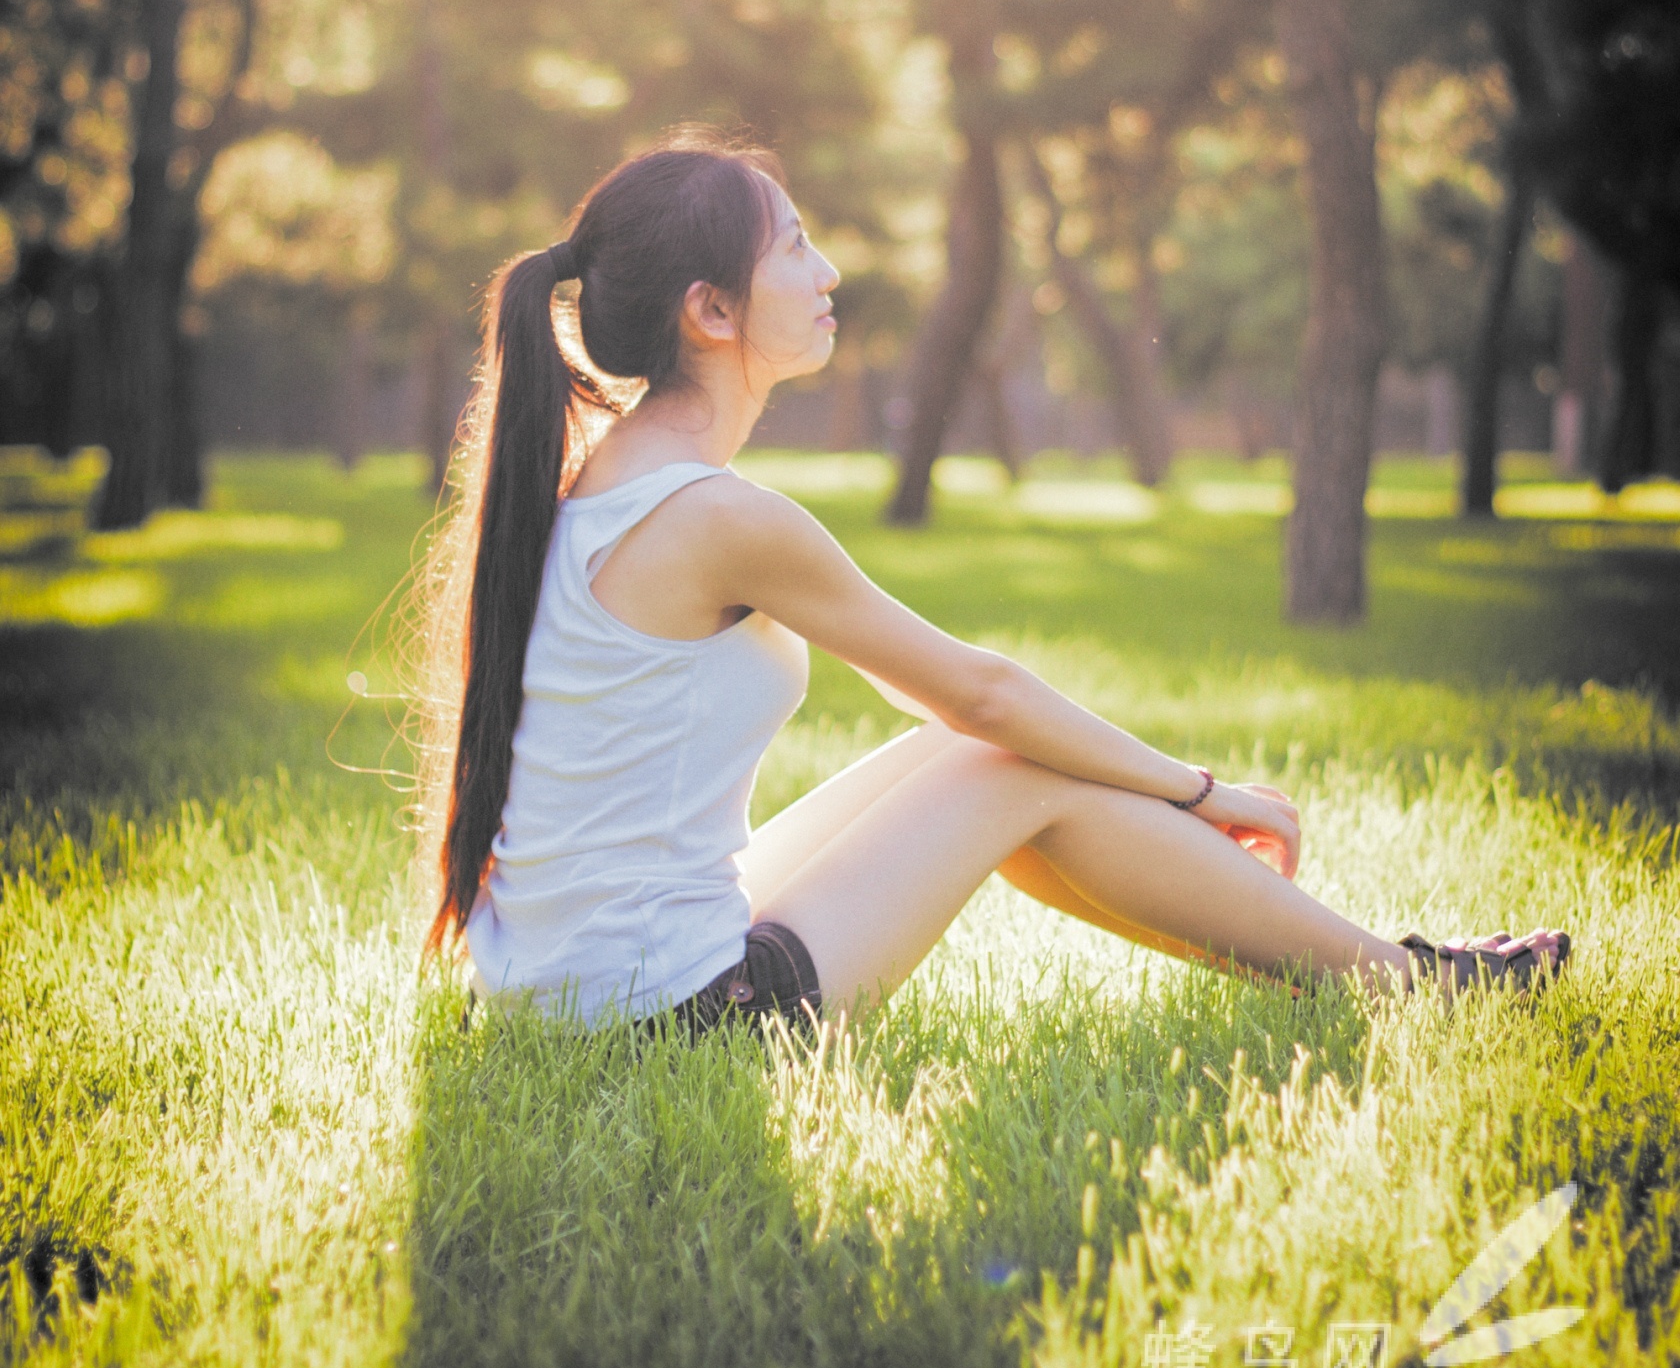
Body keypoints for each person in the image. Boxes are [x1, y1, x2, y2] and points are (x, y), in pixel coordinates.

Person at [420, 134, 1570, 1034]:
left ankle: (1364, 972)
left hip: (564, 991)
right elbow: (987, 696)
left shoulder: (607, 481)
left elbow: (956, 715)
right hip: (671, 1023)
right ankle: (1407, 980)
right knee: (1004, 760)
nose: (828, 274)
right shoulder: (721, 518)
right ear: (711, 313)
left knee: (967, 759)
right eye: (795, 249)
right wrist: (1201, 791)